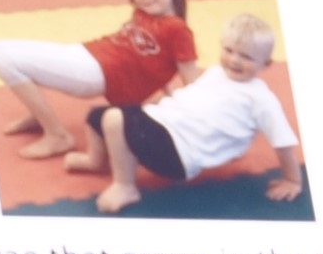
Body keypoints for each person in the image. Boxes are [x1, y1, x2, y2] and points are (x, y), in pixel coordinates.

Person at [0, 0, 200, 170]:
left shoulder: (177, 29)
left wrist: (183, 114)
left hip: (96, 73)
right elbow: (156, 60)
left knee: (4, 60)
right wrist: (164, 86)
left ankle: (58, 136)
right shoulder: (144, 14)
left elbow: (190, 80)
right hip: (87, 53)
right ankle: (38, 113)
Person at [94, 12, 304, 213]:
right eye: (229, 50)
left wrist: (292, 179)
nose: (234, 60)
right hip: (165, 124)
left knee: (114, 119)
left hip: (179, 152)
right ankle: (95, 160)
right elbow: (195, 99)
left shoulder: (261, 98)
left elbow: (283, 142)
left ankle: (125, 186)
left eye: (246, 57)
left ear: (265, 64)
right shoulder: (215, 72)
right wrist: (161, 102)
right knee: (99, 115)